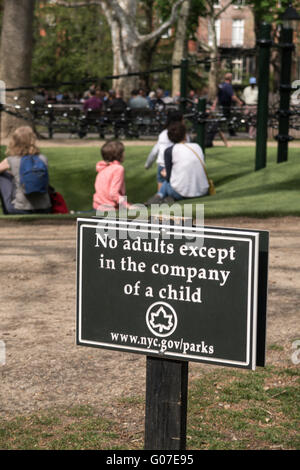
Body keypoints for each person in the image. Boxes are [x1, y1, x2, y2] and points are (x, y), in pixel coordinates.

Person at [146, 121, 209, 204]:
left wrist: (165, 174)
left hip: (182, 193)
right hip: (203, 191)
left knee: (165, 183)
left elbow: (168, 178)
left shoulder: (169, 151)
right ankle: (166, 198)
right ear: (185, 134)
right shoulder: (197, 147)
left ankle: (159, 196)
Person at [0, 126, 51, 214]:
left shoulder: (11, 160)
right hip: (45, 208)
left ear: (14, 141)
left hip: (19, 208)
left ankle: (6, 212)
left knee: (2, 175)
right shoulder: (43, 158)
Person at [144, 110, 188, 191]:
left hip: (162, 164)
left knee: (161, 191)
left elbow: (155, 151)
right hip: (176, 165)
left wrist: (148, 164)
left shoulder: (163, 134)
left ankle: (159, 199)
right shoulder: (183, 135)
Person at [93, 140, 132, 211]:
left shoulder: (103, 167)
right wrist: (127, 205)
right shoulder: (118, 169)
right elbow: (113, 193)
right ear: (118, 155)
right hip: (110, 209)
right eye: (122, 152)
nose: (124, 154)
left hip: (97, 206)